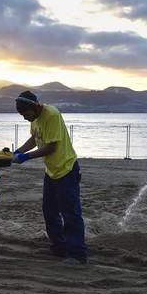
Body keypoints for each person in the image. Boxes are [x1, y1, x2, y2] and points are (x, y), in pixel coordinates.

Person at [12, 90, 88, 264]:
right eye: (22, 115)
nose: (25, 118)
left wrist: (26, 158)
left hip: (66, 170)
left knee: (71, 214)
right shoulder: (35, 119)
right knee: (49, 212)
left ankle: (77, 254)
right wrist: (18, 151)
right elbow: (35, 138)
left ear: (35, 107)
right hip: (51, 172)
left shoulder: (51, 115)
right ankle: (59, 247)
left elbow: (51, 147)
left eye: (26, 114)